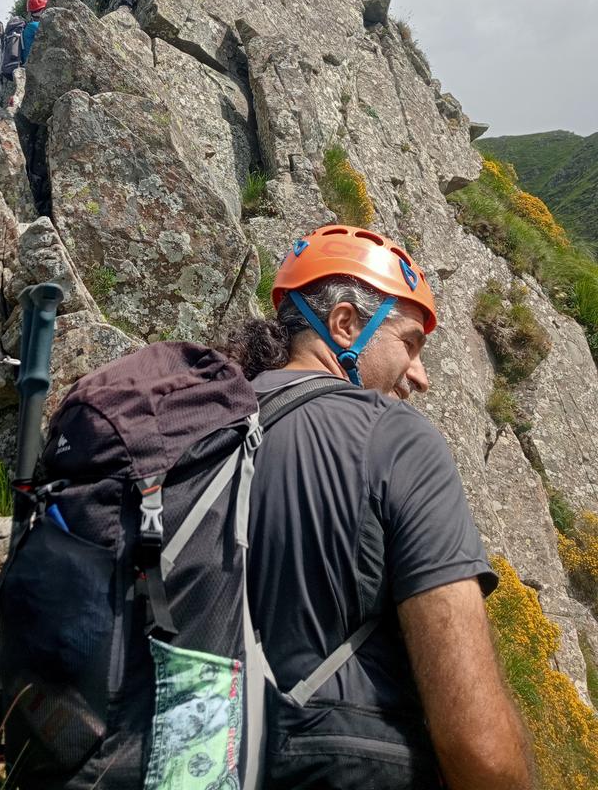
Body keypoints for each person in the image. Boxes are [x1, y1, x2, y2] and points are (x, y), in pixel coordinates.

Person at [220, 225, 534, 790]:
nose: (421, 375)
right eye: (410, 344)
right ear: (344, 324)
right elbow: (479, 748)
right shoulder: (396, 439)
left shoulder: (202, 426)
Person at [21, 0, 48, 64]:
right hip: (33, 65)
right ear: (42, 9)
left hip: (28, 64)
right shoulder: (37, 26)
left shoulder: (30, 25)